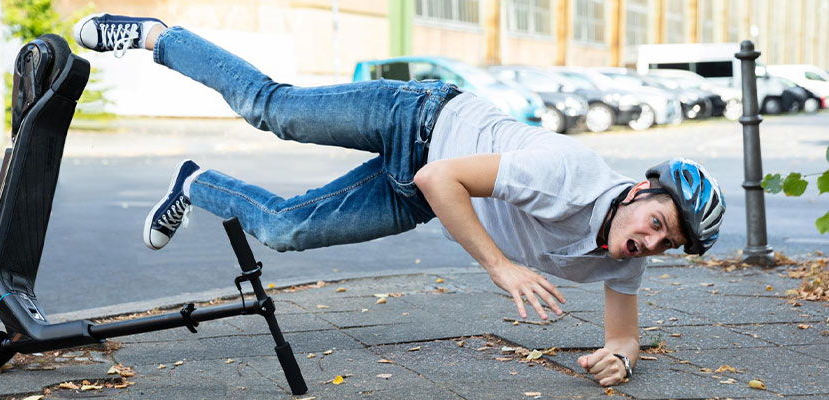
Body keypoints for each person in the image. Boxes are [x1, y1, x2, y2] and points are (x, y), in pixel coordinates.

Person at [73, 13, 726, 387]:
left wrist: (620, 360)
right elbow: (443, 176)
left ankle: (196, 184)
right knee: (274, 110)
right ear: (639, 190)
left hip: (424, 194)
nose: (650, 242)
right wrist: (501, 266)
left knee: (287, 231)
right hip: (418, 121)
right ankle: (158, 36)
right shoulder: (567, 175)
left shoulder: (624, 257)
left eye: (666, 244)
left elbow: (624, 334)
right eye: (656, 222)